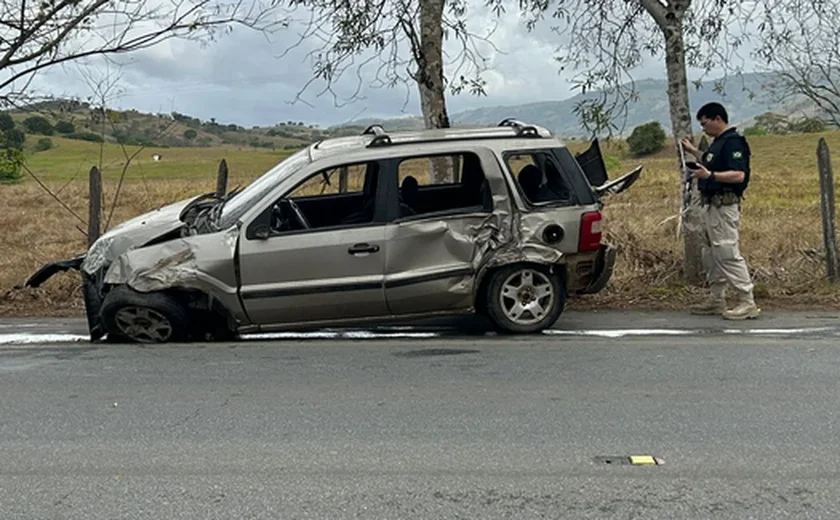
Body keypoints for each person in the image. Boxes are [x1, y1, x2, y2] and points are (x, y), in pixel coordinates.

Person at [680, 102, 760, 320]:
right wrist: (694, 152)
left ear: (717, 119)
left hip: (724, 206)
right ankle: (717, 298)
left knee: (726, 252)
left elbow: (738, 175)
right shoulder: (718, 144)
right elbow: (709, 161)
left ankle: (747, 300)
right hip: (710, 206)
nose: (703, 129)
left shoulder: (733, 142)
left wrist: (710, 176)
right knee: (711, 254)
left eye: (705, 123)